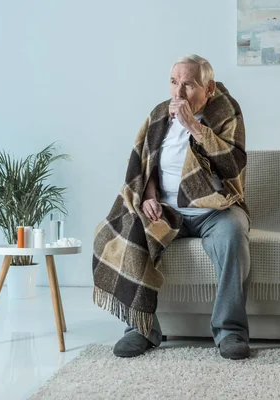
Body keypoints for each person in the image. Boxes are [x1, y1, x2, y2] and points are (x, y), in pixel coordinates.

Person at [93, 54, 251, 360]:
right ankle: (141, 328)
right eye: (173, 82)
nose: (178, 93)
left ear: (209, 88)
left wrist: (193, 125)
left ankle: (229, 331)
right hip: (166, 208)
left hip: (214, 208)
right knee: (130, 229)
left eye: (188, 84)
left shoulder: (227, 113)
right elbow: (145, 162)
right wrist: (149, 195)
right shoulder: (158, 115)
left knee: (233, 234)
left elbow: (234, 163)